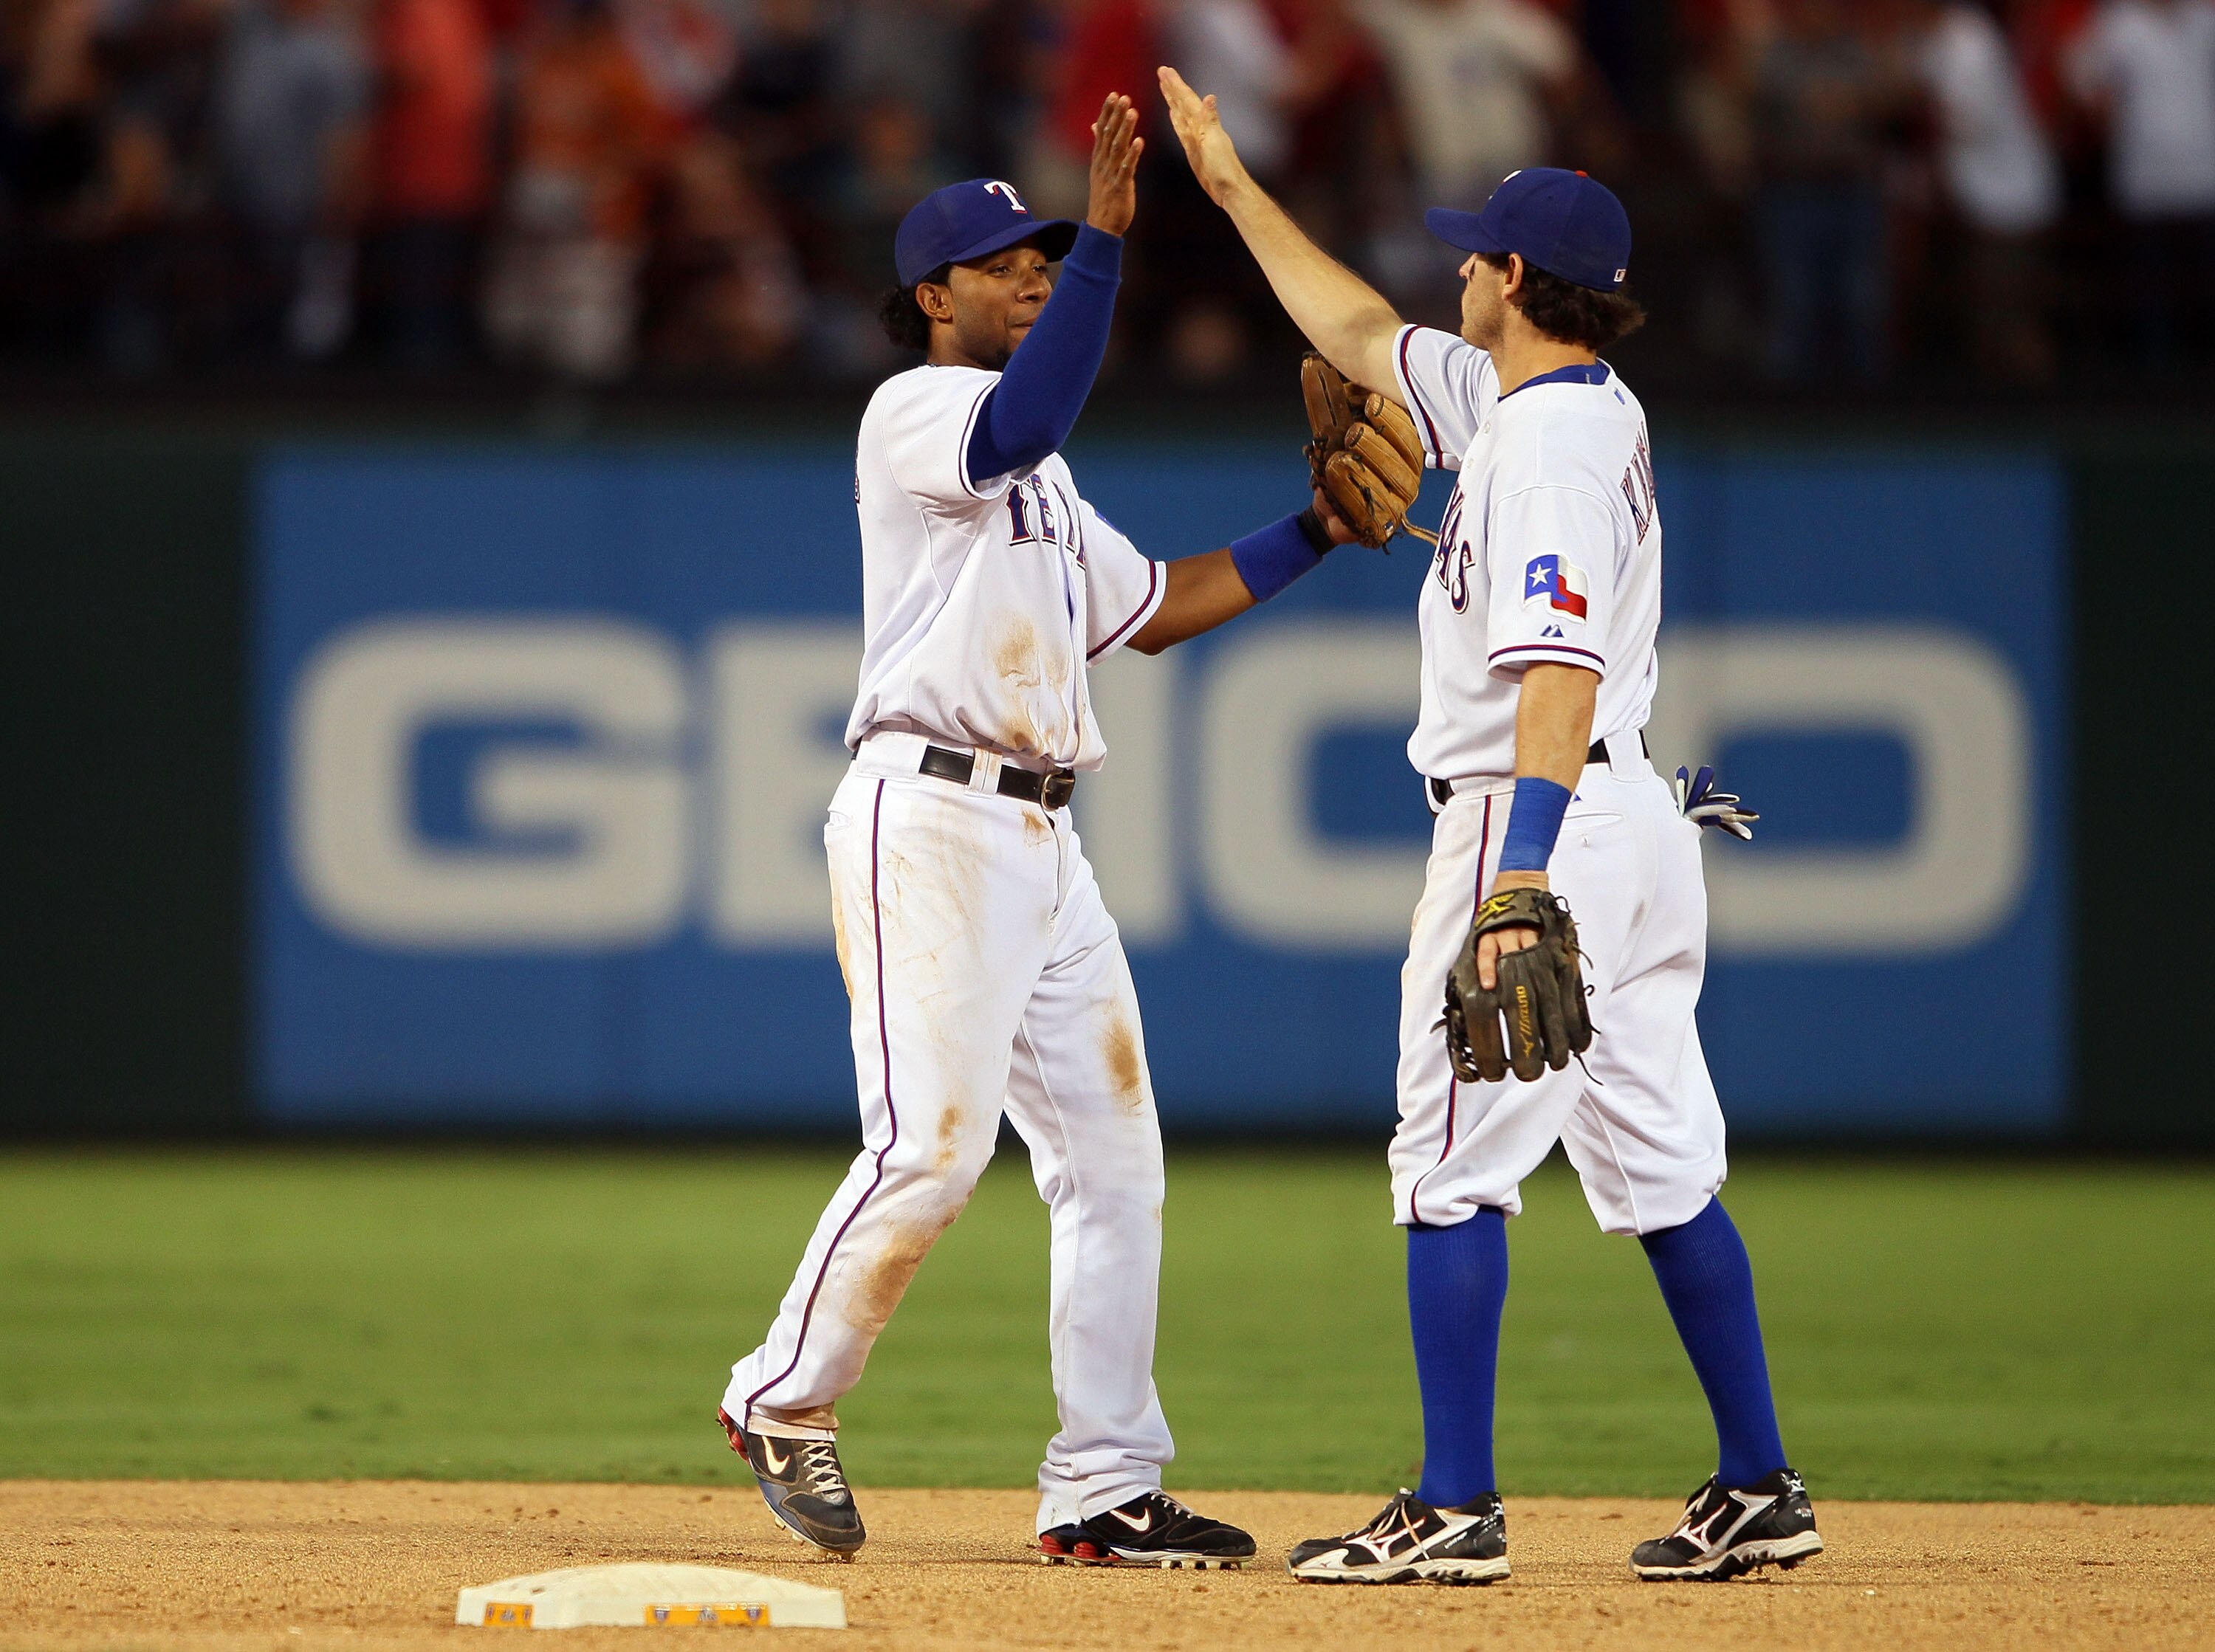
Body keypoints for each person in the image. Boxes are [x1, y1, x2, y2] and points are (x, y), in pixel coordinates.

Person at [1158, 64, 1825, 1586]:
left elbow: (1557, 676)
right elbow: (1351, 332)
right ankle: (1759, 1484)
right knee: (1662, 1173)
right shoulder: (1546, 398)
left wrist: (1517, 876)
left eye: (1472, 252)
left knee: (1449, 1162)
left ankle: (1455, 1507)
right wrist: (1231, 184)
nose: (1453, 266)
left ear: (1515, 279)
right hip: (1637, 822)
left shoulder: (1544, 453)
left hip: (1542, 819)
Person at [715, 94, 1363, 1568]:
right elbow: (1029, 412)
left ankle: (1102, 1485)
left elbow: (1153, 612)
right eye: (1007, 261)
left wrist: (1316, 531)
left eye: (1045, 255)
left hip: (1045, 847)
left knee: (1115, 1165)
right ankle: (780, 1396)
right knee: (932, 1156)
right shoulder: (922, 417)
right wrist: (1112, 255)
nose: (1032, 273)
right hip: (927, 820)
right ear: (934, 297)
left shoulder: (1049, 491)